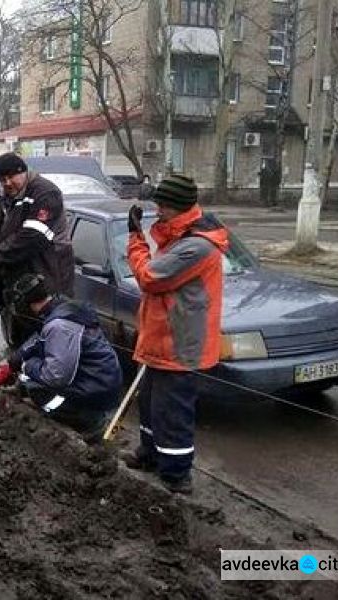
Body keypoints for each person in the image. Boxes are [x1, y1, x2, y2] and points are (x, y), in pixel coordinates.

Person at [125, 174, 228, 494]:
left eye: (161, 205)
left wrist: (135, 238)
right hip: (162, 339)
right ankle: (150, 454)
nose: (157, 210)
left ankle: (176, 474)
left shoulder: (197, 246)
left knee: (173, 413)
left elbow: (150, 277)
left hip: (179, 345)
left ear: (178, 207)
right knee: (152, 404)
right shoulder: (180, 234)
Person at [0, 273, 122, 442]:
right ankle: (25, 389)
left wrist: (26, 366)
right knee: (29, 375)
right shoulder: (59, 309)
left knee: (37, 389)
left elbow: (56, 377)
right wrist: (13, 361)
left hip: (95, 391)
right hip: (95, 382)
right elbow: (39, 340)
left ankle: (90, 423)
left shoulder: (59, 326)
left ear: (25, 302)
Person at [0, 152, 75, 348]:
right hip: (17, 287)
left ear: (24, 172)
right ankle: (18, 373)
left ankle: (35, 376)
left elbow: (31, 238)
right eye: (2, 179)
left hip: (46, 283)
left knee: (46, 343)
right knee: (18, 342)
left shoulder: (45, 193)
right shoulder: (4, 200)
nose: (7, 183)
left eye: (11, 177)